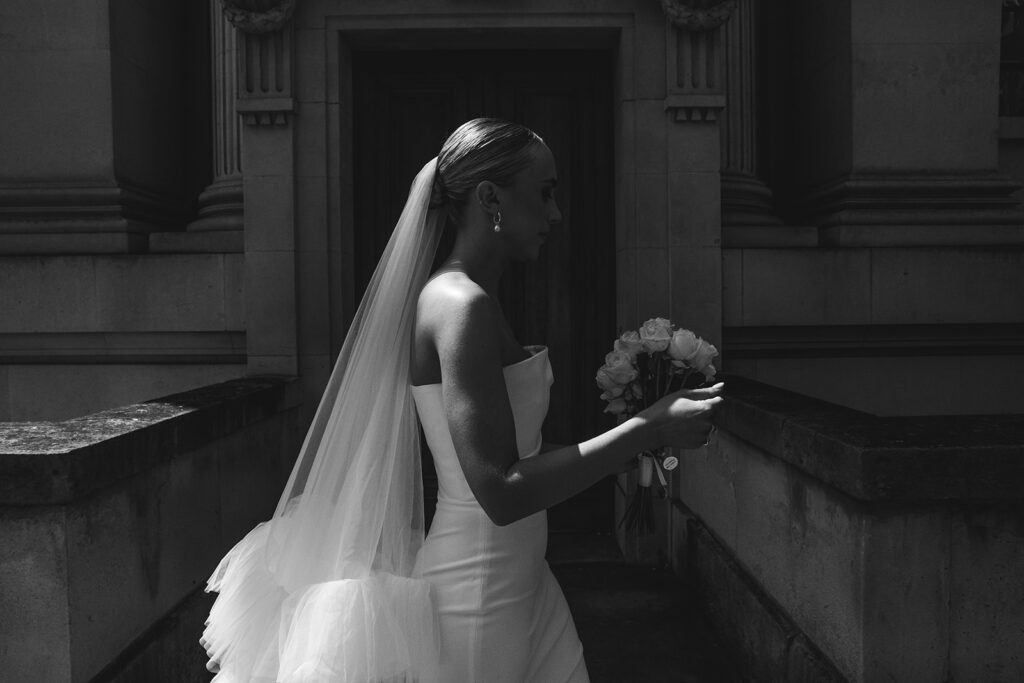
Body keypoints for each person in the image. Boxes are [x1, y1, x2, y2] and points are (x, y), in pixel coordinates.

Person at [201, 118, 723, 683]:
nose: (556, 215)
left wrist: (634, 441)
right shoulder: (460, 306)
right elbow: (499, 490)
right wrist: (650, 426)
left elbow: (523, 449)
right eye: (545, 193)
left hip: (520, 580)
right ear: (490, 198)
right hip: (478, 597)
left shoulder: (473, 300)